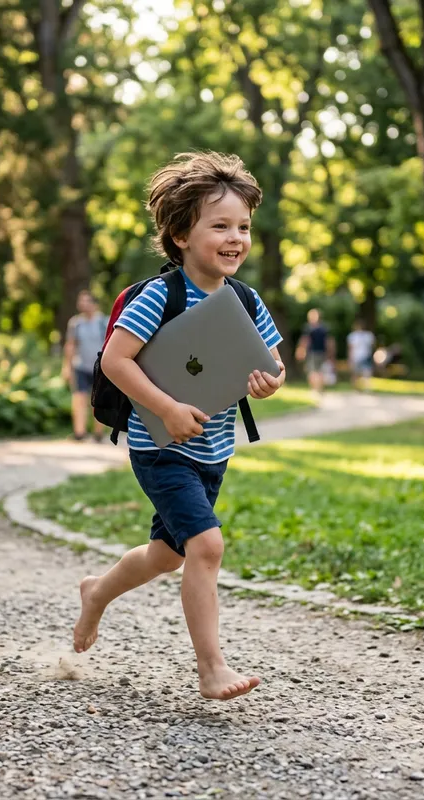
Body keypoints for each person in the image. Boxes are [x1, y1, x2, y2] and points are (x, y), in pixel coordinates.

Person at [72, 152, 285, 701]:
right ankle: (211, 668)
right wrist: (166, 408)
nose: (235, 237)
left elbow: (273, 364)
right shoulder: (157, 297)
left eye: (243, 227)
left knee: (167, 555)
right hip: (160, 446)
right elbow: (117, 362)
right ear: (180, 234)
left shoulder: (245, 300)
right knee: (206, 547)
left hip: (213, 450)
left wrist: (270, 382)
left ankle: (97, 592)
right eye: (220, 226)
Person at [62, 290, 108, 442]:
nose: (83, 304)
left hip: (99, 367)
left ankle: (98, 433)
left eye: (87, 301)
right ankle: (79, 433)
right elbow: (70, 345)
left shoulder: (104, 322)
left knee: (98, 401)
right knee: (79, 399)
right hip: (80, 366)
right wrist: (67, 367)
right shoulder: (76, 323)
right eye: (81, 301)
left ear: (94, 304)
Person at [296, 308, 335, 394]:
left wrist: (301, 351)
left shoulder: (309, 328)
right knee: (316, 371)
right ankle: (318, 389)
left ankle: (316, 389)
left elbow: (305, 341)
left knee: (314, 371)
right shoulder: (324, 327)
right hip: (315, 353)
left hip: (316, 353)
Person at [347, 318, 375, 390]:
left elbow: (372, 346)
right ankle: (356, 388)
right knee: (356, 373)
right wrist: (350, 358)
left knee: (366, 373)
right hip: (356, 357)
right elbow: (350, 348)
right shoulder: (353, 336)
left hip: (365, 356)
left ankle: (366, 387)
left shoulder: (368, 335)